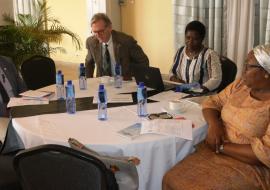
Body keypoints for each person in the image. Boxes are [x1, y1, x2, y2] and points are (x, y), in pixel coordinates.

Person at [163, 44, 270, 190]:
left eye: (248, 66)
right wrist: (214, 125)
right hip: (215, 151)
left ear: (265, 72)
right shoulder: (241, 85)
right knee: (170, 178)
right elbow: (213, 102)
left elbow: (265, 153)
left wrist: (220, 146)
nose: (243, 70)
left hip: (249, 166)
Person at [85, 13, 149, 79]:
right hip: (102, 82)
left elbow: (143, 61)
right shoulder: (91, 42)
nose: (97, 35)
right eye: (94, 32)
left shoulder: (126, 41)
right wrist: (89, 82)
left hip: (124, 82)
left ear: (110, 27)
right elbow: (88, 64)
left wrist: (133, 78)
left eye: (101, 31)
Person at [169, 21, 222, 92]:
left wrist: (195, 89)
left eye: (195, 39)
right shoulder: (180, 51)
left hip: (201, 95)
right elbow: (172, 71)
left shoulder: (210, 55)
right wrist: (175, 79)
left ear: (201, 39)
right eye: (188, 38)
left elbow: (216, 79)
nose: (190, 42)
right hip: (181, 92)